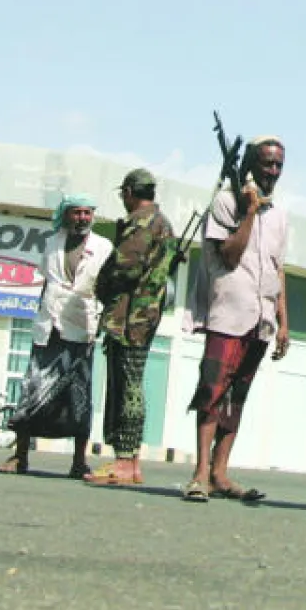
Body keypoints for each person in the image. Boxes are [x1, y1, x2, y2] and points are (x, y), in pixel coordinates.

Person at [182, 136, 290, 503]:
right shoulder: (226, 203)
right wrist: (248, 212)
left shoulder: (279, 213)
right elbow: (229, 255)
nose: (272, 171)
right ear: (251, 163)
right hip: (229, 313)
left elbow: (279, 269)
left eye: (278, 164)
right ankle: (199, 474)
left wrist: (283, 321)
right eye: (266, 163)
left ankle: (220, 473)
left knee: (236, 398)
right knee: (211, 392)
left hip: (260, 318)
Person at [0, 195, 115, 476]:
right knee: (33, 389)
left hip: (82, 327)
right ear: (66, 215)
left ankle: (78, 461)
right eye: (77, 213)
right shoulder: (52, 242)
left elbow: (109, 288)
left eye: (87, 213)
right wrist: (41, 317)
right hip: (49, 328)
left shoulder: (103, 247)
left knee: (78, 397)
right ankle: (20, 455)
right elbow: (47, 283)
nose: (82, 218)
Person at [86, 169, 176, 487]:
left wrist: (102, 284)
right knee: (130, 382)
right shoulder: (162, 221)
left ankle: (125, 459)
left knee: (127, 384)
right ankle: (130, 461)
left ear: (129, 192)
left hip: (130, 314)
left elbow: (127, 266)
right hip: (145, 313)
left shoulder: (142, 222)